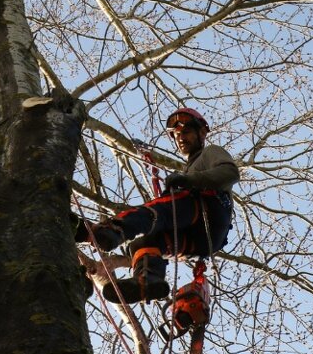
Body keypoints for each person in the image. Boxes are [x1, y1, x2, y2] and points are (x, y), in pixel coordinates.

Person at [77, 107, 239, 304]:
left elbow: (230, 173)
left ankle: (112, 229)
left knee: (161, 209)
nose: (180, 138)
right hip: (201, 241)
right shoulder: (187, 170)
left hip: (210, 211)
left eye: (186, 132)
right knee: (145, 243)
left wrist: (190, 181)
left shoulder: (211, 152)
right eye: (176, 135)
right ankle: (147, 281)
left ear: (202, 132)